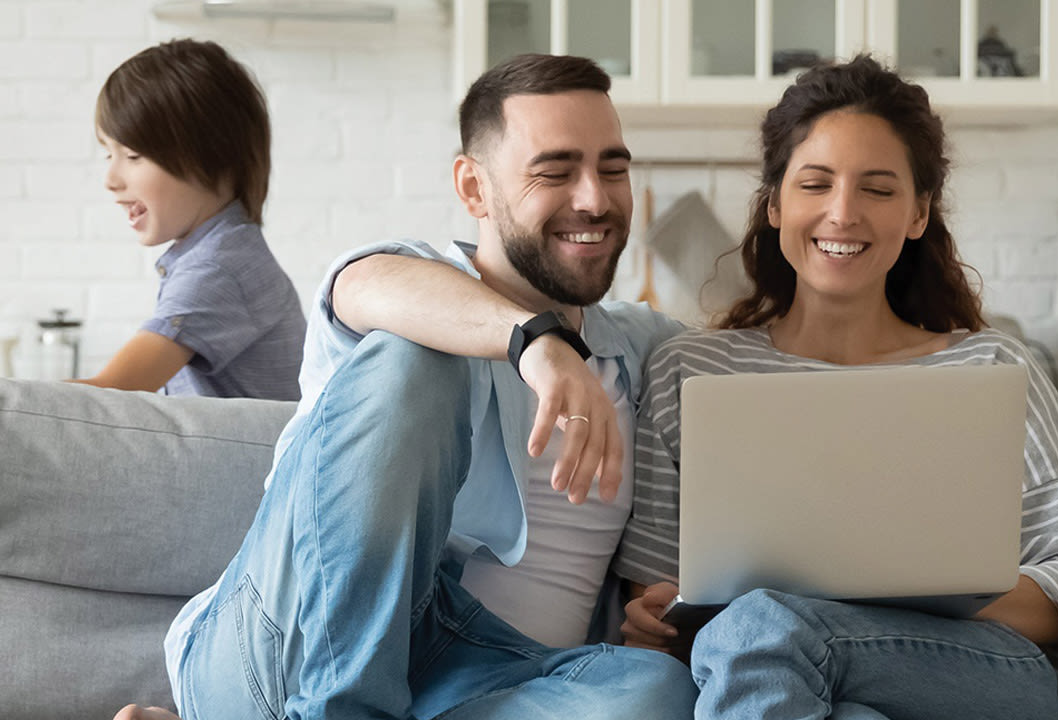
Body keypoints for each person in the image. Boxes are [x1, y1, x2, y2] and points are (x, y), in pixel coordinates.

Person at [119, 54, 696, 720]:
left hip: (482, 677)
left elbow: (756, 364)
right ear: (474, 190)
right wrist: (534, 340)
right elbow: (363, 285)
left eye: (614, 169)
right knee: (417, 356)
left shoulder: (643, 347)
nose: (594, 198)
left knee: (657, 691)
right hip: (289, 645)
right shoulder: (416, 284)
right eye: (555, 172)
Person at [613, 55, 1058, 720]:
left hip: (966, 674)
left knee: (760, 627)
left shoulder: (995, 367)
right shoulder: (689, 372)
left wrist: (879, 596)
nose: (842, 212)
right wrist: (653, 618)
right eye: (815, 183)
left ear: (918, 213)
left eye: (878, 190)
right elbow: (658, 597)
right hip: (767, 675)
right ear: (775, 205)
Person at [76, 39, 305, 399]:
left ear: (214, 155)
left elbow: (108, 395)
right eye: (109, 154)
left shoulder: (219, 269)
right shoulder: (216, 255)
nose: (111, 179)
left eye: (133, 155)